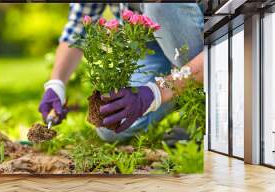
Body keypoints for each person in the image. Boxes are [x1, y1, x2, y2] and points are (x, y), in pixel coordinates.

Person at [39, 3, 204, 142]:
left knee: (160, 7)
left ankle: (202, 115)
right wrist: (56, 84)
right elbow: (77, 29)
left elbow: (219, 53)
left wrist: (155, 93)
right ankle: (180, 91)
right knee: (111, 125)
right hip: (148, 47)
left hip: (197, 41)